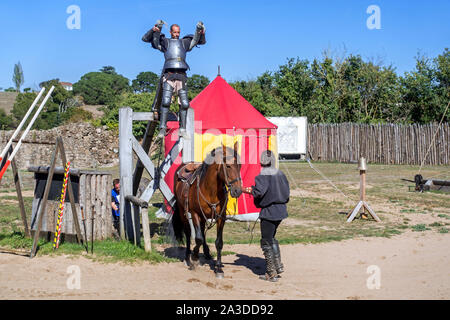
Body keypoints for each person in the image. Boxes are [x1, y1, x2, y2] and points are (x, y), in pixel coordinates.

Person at [142, 20, 206, 139]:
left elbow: (198, 41)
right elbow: (148, 39)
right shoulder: (165, 42)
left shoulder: (184, 43)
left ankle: (182, 129)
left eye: (178, 32)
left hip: (181, 75)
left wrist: (200, 31)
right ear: (170, 32)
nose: (177, 34)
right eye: (175, 32)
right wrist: (155, 30)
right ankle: (162, 128)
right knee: (166, 102)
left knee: (185, 104)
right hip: (169, 74)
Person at [243, 150, 290, 282]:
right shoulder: (280, 173)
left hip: (270, 212)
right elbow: (287, 193)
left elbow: (259, 192)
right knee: (272, 239)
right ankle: (278, 266)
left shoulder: (263, 175)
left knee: (266, 241)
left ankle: (271, 273)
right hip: (281, 211)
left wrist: (244, 190)